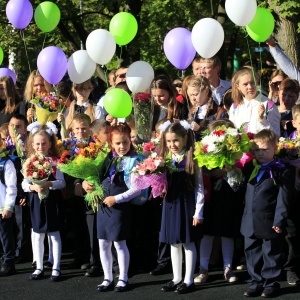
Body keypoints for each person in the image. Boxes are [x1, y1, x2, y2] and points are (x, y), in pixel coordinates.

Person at [83, 123, 145, 292]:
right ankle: (107, 277)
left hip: (119, 207)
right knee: (103, 243)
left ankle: (123, 277)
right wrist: (85, 183)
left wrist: (116, 199)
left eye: (125, 142)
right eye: (117, 143)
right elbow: (94, 176)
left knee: (119, 243)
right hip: (103, 206)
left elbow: (137, 188)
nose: (122, 146)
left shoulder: (135, 160)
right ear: (111, 143)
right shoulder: (105, 158)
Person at [241, 129, 294, 298]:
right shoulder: (249, 167)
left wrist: (279, 220)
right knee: (252, 253)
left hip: (269, 220)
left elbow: (283, 199)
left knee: (271, 253)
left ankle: (271, 283)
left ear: (275, 148)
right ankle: (255, 282)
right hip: (250, 220)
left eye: (265, 149)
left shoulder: (283, 170)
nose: (260, 153)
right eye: (257, 150)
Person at [194, 119, 243, 285]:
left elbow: (240, 173)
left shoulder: (238, 149)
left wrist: (227, 168)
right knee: (207, 233)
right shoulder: (205, 148)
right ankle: (203, 269)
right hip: (211, 195)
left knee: (227, 233)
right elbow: (201, 167)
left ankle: (228, 268)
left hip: (228, 195)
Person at [159, 121, 204, 294]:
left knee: (187, 241)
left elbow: (199, 187)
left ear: (185, 139)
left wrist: (198, 211)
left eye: (176, 141)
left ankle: (188, 279)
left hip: (186, 205)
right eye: (169, 142)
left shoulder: (192, 159)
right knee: (173, 243)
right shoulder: (165, 159)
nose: (172, 145)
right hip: (170, 204)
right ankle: (176, 277)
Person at [22, 122, 66, 282]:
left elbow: (62, 182)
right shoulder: (29, 161)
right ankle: (39, 266)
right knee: (38, 234)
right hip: (36, 200)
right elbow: (24, 183)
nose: (41, 146)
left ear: (49, 144)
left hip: (52, 200)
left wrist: (49, 184)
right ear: (32, 145)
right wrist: (32, 187)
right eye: (38, 143)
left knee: (54, 234)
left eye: (44, 143)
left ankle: (56, 267)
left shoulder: (55, 161)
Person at [5, 115, 31, 264]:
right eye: (11, 126)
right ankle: (10, 249)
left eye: (18, 126)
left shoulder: (27, 147)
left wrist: (23, 194)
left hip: (21, 190)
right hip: (8, 191)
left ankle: (22, 251)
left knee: (21, 222)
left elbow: (26, 173)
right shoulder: (4, 146)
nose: (14, 129)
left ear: (25, 128)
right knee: (9, 222)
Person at [229, 67, 281, 137]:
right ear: (238, 86)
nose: (250, 87)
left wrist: (262, 120)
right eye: (245, 84)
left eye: (252, 83)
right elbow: (231, 132)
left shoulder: (268, 105)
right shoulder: (235, 107)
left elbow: (277, 136)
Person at [186, 76, 227, 140]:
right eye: (190, 95)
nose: (193, 98)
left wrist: (199, 129)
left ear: (206, 91)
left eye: (196, 94)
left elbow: (221, 137)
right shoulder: (192, 112)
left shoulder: (219, 113)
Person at [0, 137, 18, 276]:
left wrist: (8, 206)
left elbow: (11, 187)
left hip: (2, 207)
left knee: (6, 235)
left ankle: (9, 262)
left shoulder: (6, 163)